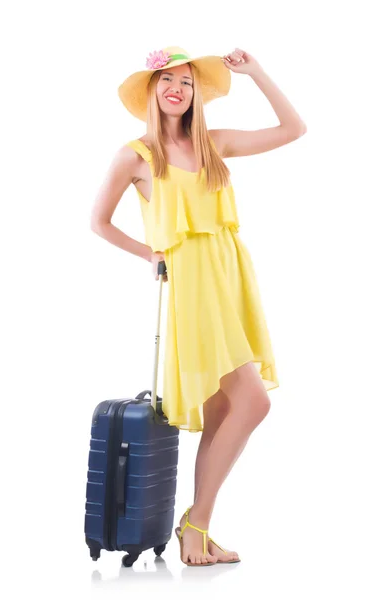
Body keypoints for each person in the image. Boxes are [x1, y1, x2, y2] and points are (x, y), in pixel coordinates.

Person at [90, 45, 306, 567]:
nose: (176, 89)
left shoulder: (212, 145)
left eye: (186, 82)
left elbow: (293, 129)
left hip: (231, 277)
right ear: (151, 90)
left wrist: (256, 72)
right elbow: (98, 221)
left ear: (194, 94)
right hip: (192, 287)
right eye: (167, 80)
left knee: (226, 411)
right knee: (254, 402)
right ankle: (195, 524)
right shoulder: (135, 156)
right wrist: (152, 253)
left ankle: (199, 526)